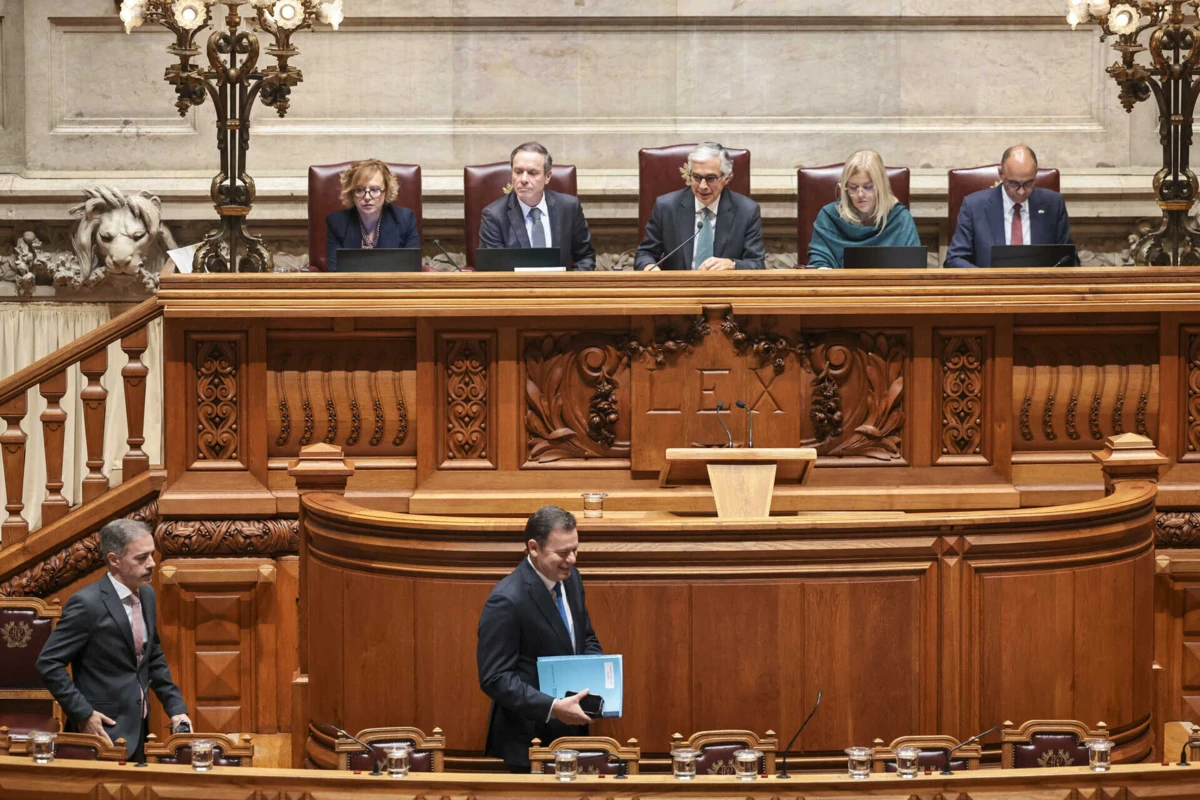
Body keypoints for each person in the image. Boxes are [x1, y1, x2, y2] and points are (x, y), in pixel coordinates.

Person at [36, 519, 190, 760]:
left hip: (139, 731)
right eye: (141, 558)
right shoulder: (87, 604)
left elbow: (153, 657)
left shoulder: (147, 595)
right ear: (114, 560)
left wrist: (177, 710)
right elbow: (48, 662)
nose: (152, 564)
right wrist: (83, 713)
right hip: (101, 735)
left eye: (152, 555)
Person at [477, 506, 602, 771]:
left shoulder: (571, 579)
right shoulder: (507, 599)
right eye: (562, 553)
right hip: (527, 744)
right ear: (534, 548)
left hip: (571, 736)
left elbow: (585, 637)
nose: (572, 559)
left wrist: (596, 672)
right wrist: (553, 707)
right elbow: (495, 678)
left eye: (575, 549)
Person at [635, 141, 764, 271]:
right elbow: (645, 254)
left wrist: (732, 264)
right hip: (679, 288)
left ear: (727, 178)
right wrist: (650, 268)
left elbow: (757, 264)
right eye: (696, 177)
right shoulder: (666, 207)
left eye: (711, 178)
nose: (702, 186)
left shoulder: (746, 211)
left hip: (725, 288)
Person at [945, 145, 1074, 268]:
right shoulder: (974, 206)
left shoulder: (1053, 204)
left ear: (1035, 175)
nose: (1021, 192)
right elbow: (955, 259)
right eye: (1013, 184)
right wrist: (988, 279)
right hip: (990, 288)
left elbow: (1069, 259)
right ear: (1001, 175)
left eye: (1028, 183)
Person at [478, 142, 596, 271]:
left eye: (532, 173)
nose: (523, 179)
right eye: (518, 172)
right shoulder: (494, 216)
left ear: (547, 176)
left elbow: (585, 257)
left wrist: (568, 287)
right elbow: (495, 271)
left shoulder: (569, 208)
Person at [806, 150, 920, 269]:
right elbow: (819, 260)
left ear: (881, 186)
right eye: (853, 187)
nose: (860, 194)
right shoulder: (829, 216)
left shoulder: (899, 218)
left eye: (868, 187)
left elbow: (913, 266)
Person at [325, 158, 419, 271]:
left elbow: (412, 270)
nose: (367, 197)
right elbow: (335, 272)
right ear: (351, 193)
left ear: (386, 191)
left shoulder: (405, 219)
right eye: (359, 190)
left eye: (375, 190)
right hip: (351, 287)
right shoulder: (337, 223)